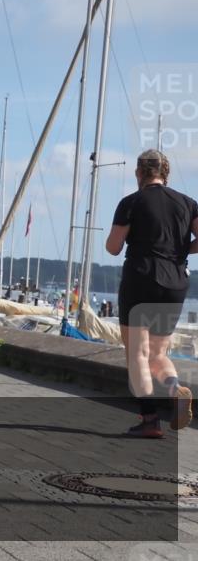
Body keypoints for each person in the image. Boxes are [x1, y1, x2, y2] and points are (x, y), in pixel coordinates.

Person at [105, 149, 198, 438]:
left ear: (139, 173)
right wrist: (181, 250)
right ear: (165, 172)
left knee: (137, 354)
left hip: (141, 278)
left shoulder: (131, 202)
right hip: (175, 282)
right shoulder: (188, 203)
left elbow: (113, 246)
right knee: (158, 353)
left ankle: (149, 420)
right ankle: (175, 389)